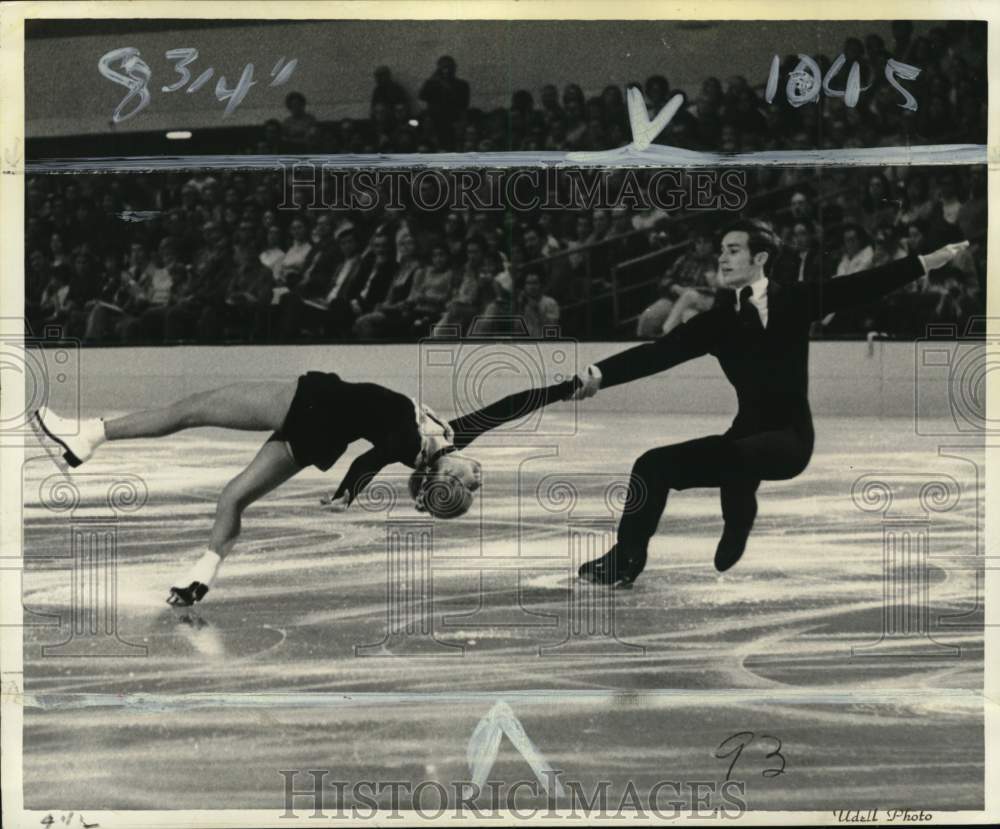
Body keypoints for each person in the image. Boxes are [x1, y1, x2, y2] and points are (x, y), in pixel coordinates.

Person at [569, 219, 968, 588]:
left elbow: (862, 286)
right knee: (652, 465)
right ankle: (626, 557)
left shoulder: (795, 299)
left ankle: (738, 521)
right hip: (743, 437)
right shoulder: (718, 321)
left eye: (733, 249)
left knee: (737, 457)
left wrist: (927, 261)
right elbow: (658, 353)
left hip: (789, 439)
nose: (722, 257)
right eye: (721, 250)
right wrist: (599, 374)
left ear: (759, 257)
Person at [33, 372, 578, 607]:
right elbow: (510, 407)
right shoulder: (446, 438)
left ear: (444, 478)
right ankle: (200, 575)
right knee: (234, 497)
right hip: (321, 433)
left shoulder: (417, 445)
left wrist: (350, 489)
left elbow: (377, 452)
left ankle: (89, 435)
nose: (479, 479)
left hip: (313, 403)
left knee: (190, 409)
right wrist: (562, 389)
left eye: (468, 486)